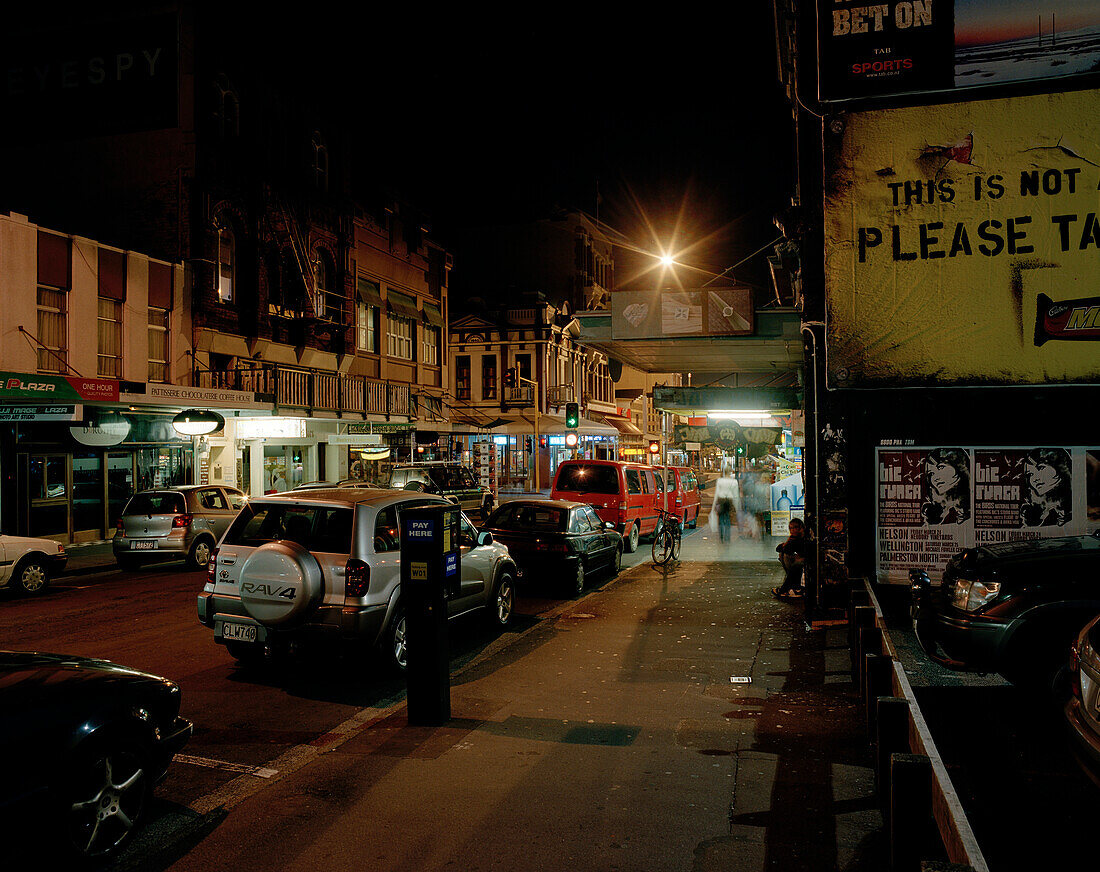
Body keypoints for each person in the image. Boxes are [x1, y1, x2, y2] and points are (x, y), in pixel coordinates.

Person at [920, 447, 970, 525]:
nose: (935, 478)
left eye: (941, 467)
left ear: (959, 466)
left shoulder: (968, 506)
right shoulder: (942, 509)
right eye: (931, 473)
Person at [773, 517, 812, 598]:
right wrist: (787, 541)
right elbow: (781, 549)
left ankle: (784, 589)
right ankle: (793, 587)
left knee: (796, 565)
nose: (792, 530)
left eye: (795, 527)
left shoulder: (806, 537)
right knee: (783, 555)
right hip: (802, 559)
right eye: (790, 528)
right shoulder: (795, 538)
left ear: (801, 528)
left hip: (809, 560)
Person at [710, 463, 740, 543]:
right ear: (730, 472)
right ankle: (727, 537)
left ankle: (721, 536)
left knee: (720, 519)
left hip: (721, 500)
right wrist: (737, 507)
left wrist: (713, 506)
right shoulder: (734, 482)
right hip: (729, 501)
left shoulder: (720, 481)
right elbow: (736, 495)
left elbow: (716, 493)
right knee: (728, 519)